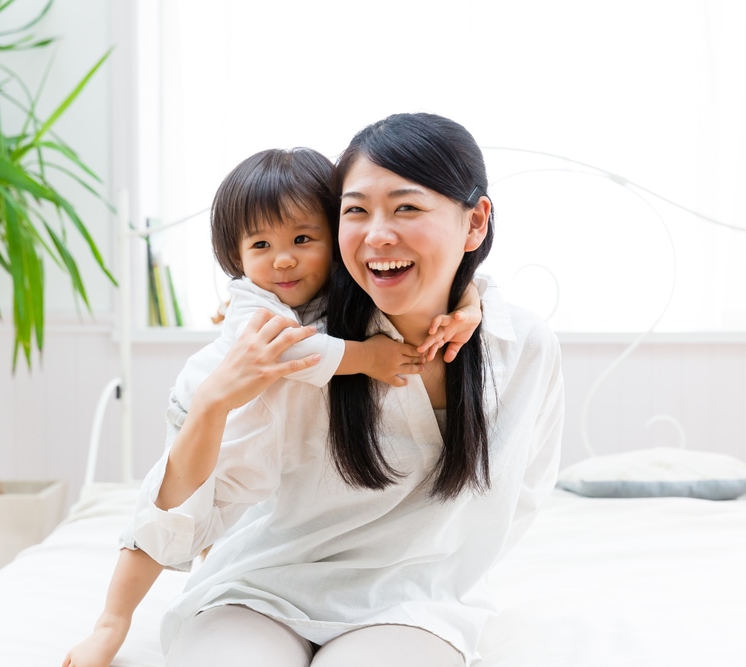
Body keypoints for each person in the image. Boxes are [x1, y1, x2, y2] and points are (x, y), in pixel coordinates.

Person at [125, 113, 563, 667]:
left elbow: (523, 493)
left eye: (406, 207)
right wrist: (210, 404)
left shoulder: (519, 347)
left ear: (475, 223)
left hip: (413, 605)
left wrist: (474, 298)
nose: (378, 234)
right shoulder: (301, 347)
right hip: (260, 591)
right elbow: (198, 508)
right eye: (355, 211)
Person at [62, 146, 482, 667]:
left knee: (230, 522)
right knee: (164, 522)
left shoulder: (352, 285)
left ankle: (224, 557)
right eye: (260, 244)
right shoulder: (251, 303)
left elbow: (452, 279)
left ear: (334, 237)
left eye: (303, 239)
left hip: (272, 438)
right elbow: (293, 352)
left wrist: (470, 304)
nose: (282, 259)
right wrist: (366, 356)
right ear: (237, 257)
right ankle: (113, 620)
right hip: (220, 416)